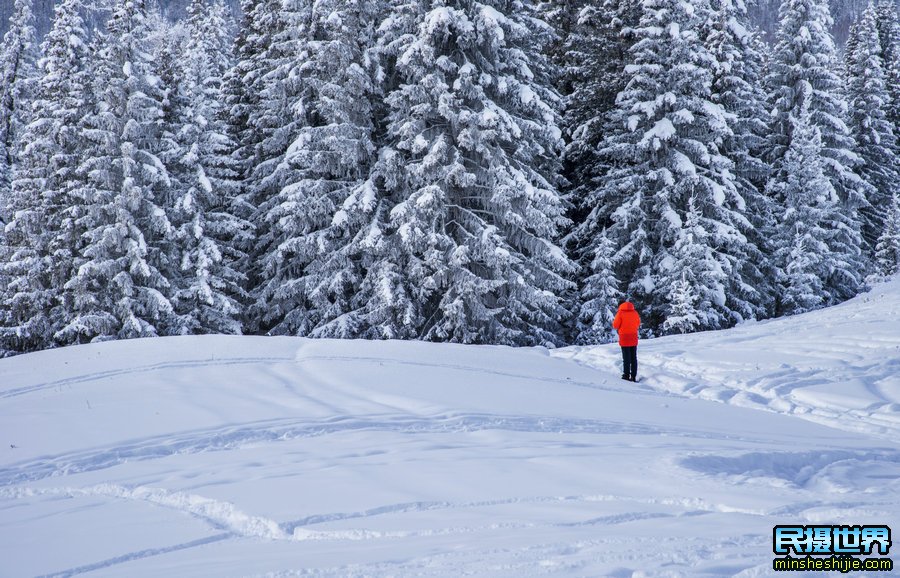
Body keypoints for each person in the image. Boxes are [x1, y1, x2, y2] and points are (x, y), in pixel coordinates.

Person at [612, 301, 641, 382]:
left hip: (624, 337)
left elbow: (615, 325)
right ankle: (633, 376)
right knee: (633, 357)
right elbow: (638, 323)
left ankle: (626, 375)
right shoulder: (635, 312)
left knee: (626, 358)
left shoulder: (620, 313)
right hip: (633, 336)